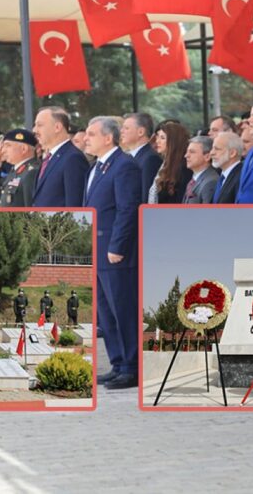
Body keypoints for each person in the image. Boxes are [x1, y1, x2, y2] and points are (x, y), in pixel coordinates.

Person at [82, 116, 142, 390]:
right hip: (98, 249)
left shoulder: (124, 165)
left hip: (115, 252)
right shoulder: (98, 166)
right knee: (106, 313)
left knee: (122, 310)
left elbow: (127, 209)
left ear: (108, 137)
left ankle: (132, 367)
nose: (86, 138)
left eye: (92, 134)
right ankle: (118, 363)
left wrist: (117, 246)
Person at [32, 107, 91, 207]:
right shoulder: (49, 158)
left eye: (40, 125)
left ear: (57, 127)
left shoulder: (73, 158)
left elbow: (74, 205)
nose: (34, 130)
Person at [0, 129, 39, 207]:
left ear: (24, 149)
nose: (2, 150)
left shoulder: (32, 172)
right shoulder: (15, 171)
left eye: (7, 145)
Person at [121, 113, 163, 203]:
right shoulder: (129, 157)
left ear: (141, 132)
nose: (121, 131)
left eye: (126, 128)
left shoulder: (150, 159)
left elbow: (146, 197)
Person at [148, 121, 192, 204]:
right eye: (157, 137)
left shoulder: (183, 167)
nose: (157, 141)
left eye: (162, 138)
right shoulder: (165, 164)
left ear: (173, 141)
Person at [182, 136, 219, 204]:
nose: (186, 155)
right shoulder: (195, 179)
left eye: (192, 152)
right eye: (187, 152)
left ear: (207, 157)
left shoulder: (210, 182)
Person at [210, 132, 244, 203]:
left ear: (232, 153)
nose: (212, 153)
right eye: (212, 148)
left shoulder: (241, 176)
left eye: (217, 149)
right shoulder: (223, 175)